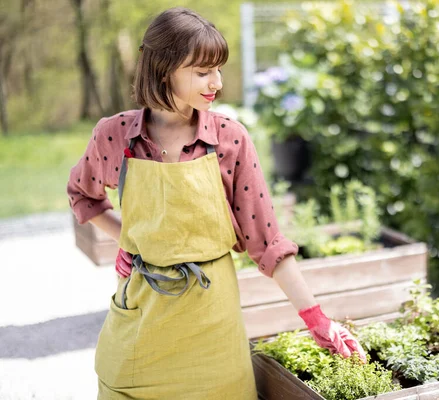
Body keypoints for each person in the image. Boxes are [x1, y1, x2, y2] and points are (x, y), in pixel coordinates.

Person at [67, 7, 366, 400]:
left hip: (212, 328)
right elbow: (82, 194)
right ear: (164, 69)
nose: (217, 83)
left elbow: (268, 242)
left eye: (219, 69)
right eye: (203, 71)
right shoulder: (116, 135)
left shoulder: (229, 139)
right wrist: (129, 239)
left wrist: (317, 320)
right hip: (140, 326)